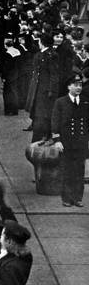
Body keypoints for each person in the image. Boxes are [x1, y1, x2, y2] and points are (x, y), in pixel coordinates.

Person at [50, 74, 89, 207]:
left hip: (81, 142)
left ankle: (77, 198)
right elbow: (55, 122)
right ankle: (66, 198)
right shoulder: (60, 102)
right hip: (66, 143)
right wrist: (57, 140)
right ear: (68, 86)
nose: (78, 88)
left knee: (79, 170)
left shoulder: (85, 101)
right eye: (75, 85)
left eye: (80, 85)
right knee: (66, 170)